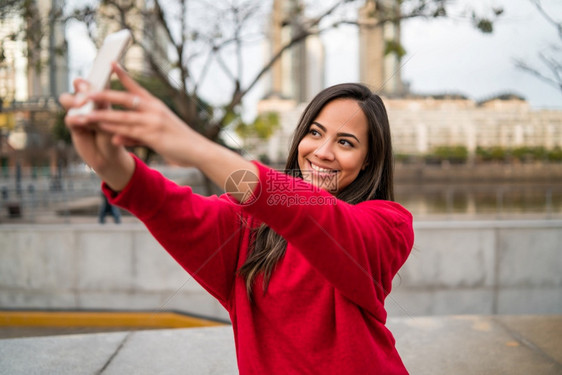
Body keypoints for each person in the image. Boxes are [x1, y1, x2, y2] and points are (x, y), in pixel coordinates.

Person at [60, 62, 414, 374]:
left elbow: (319, 217)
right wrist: (110, 164)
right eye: (315, 132)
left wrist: (195, 147)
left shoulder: (388, 224)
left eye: (346, 143)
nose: (322, 152)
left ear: (369, 160)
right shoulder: (249, 225)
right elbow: (173, 209)